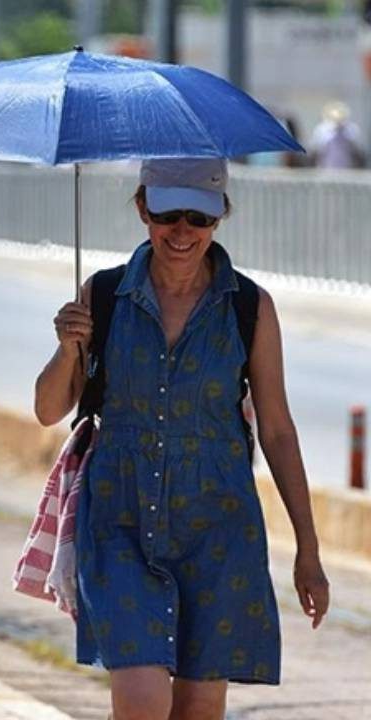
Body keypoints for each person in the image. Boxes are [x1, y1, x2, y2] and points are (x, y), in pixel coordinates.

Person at [33, 158, 330, 720]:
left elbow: (278, 430)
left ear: (220, 217)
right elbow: (49, 410)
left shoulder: (248, 306)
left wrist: (307, 552)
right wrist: (68, 347)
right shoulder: (104, 294)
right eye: (168, 214)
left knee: (198, 707)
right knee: (142, 699)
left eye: (200, 217)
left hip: (218, 528)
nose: (182, 231)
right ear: (143, 208)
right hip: (120, 524)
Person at [310, 101, 366, 170]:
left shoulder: (352, 129)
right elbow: (314, 152)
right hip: (326, 168)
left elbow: (359, 153)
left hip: (348, 169)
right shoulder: (321, 130)